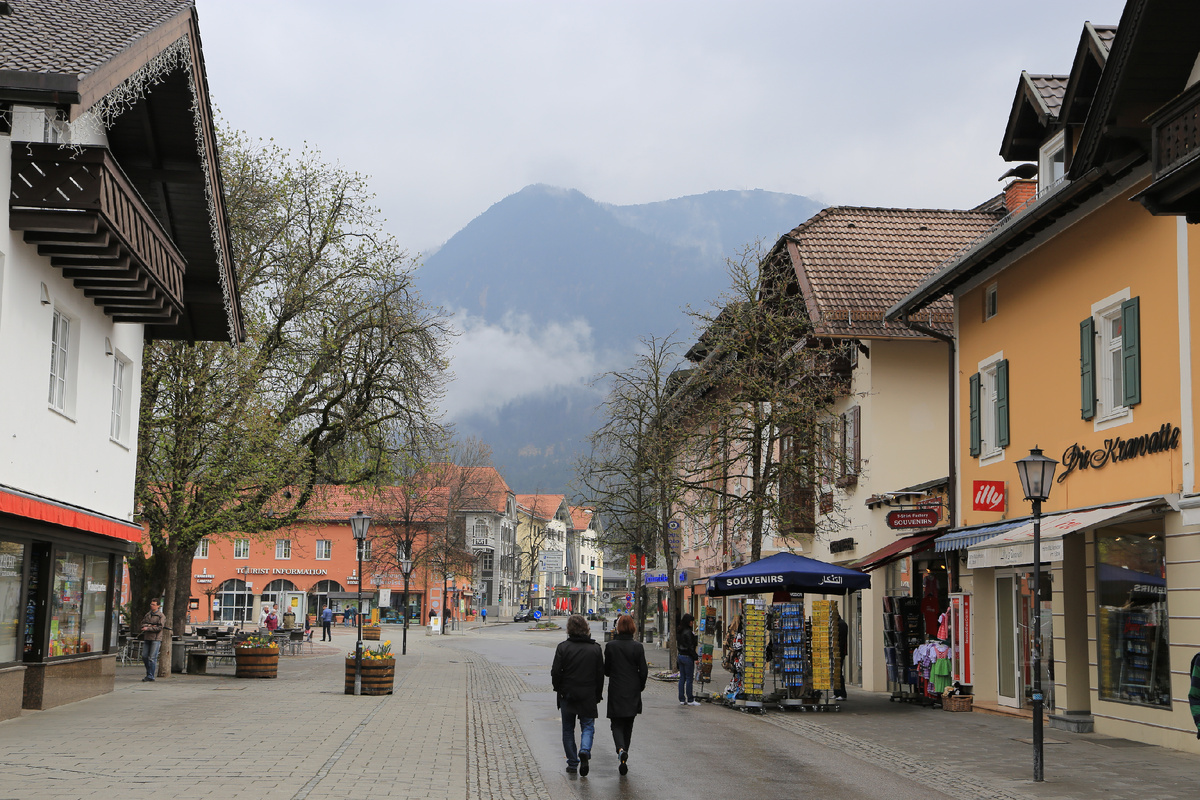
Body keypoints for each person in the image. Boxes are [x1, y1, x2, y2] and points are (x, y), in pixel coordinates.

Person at [551, 614, 604, 776]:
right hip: (588, 694)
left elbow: (555, 672)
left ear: (569, 629)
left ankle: (573, 763)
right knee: (588, 726)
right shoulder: (595, 649)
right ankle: (585, 751)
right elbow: (600, 675)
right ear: (586, 628)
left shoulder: (563, 647)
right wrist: (598, 694)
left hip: (568, 694)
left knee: (568, 729)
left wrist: (558, 689)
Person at [603, 614, 647, 775]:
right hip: (632, 688)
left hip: (616, 688)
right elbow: (643, 670)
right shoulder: (638, 647)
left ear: (618, 628)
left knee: (616, 723)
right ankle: (624, 754)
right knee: (628, 723)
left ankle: (620, 749)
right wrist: (639, 686)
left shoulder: (611, 646)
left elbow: (606, 670)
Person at [676, 613, 700, 706]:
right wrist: (695, 657)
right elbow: (690, 646)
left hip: (680, 656)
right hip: (687, 657)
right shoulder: (688, 632)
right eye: (691, 621)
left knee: (682, 678)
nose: (692, 623)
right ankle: (690, 699)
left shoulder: (680, 630)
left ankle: (681, 699)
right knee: (689, 678)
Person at [140, 599, 165, 682]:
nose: (152, 606)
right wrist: (148, 625)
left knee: (152, 657)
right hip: (147, 637)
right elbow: (142, 623)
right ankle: (149, 672)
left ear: (158, 606)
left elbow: (160, 627)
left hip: (156, 638)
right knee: (144, 656)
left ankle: (151, 675)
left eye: (154, 604)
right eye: (151, 604)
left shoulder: (161, 616)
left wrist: (149, 627)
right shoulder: (148, 614)